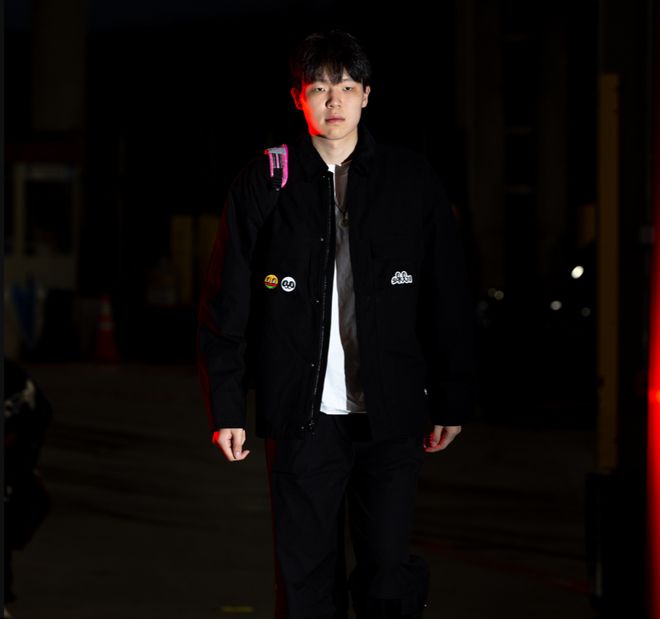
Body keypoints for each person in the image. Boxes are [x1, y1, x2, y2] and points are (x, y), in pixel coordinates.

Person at [197, 29, 476, 619]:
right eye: (319, 88)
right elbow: (227, 299)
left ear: (367, 95)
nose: (334, 101)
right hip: (303, 417)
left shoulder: (409, 180)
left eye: (346, 87)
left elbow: (447, 295)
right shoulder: (266, 179)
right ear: (298, 97)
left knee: (387, 573)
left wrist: (451, 396)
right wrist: (227, 407)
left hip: (391, 415)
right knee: (304, 579)